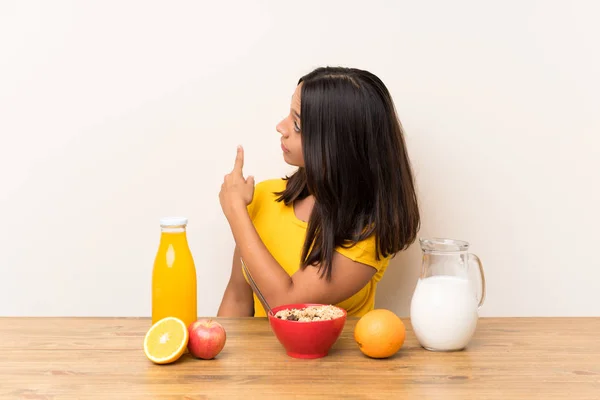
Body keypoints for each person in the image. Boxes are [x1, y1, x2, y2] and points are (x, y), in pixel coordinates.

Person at [217, 66, 420, 318]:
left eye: (297, 124)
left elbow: (285, 306)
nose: (281, 127)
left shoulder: (368, 233)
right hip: (259, 358)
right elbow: (237, 297)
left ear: (338, 145)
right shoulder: (264, 196)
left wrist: (236, 211)